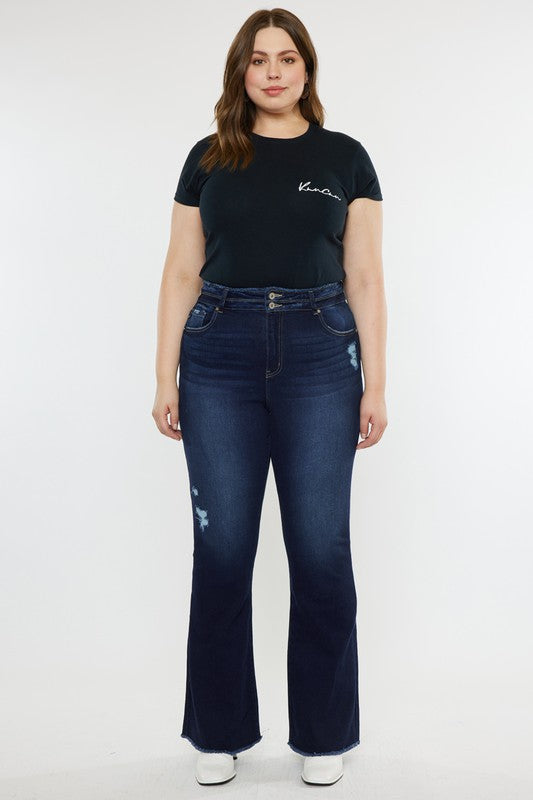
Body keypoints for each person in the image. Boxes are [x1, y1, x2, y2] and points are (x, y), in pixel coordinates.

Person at [152, 7, 387, 788]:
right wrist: (164, 376)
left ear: (307, 69)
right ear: (240, 74)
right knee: (221, 552)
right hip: (216, 351)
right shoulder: (208, 158)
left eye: (288, 58)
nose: (275, 71)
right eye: (259, 60)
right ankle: (217, 730)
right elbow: (181, 271)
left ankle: (322, 736)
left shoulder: (346, 159)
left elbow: (363, 278)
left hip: (323, 352)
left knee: (319, 551)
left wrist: (375, 382)